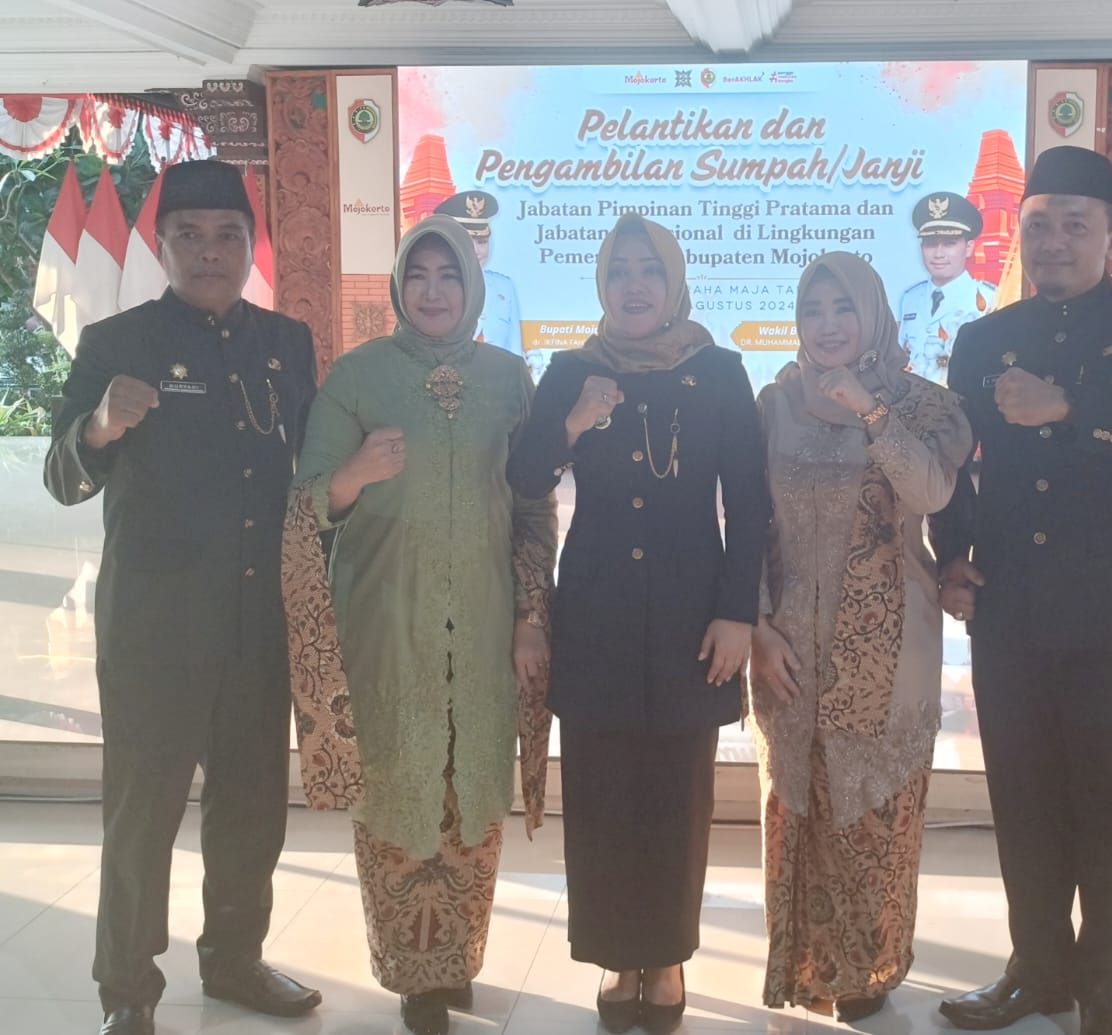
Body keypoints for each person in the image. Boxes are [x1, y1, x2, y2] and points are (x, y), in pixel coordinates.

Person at [43, 159, 322, 1035]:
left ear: (250, 246)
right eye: (190, 236)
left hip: (256, 623)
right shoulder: (116, 342)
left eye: (228, 236)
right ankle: (127, 987)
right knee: (143, 814)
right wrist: (99, 426)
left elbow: (311, 469)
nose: (210, 252)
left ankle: (235, 960)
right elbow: (61, 476)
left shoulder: (287, 344)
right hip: (154, 633)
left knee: (252, 808)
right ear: (161, 246)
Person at [930, 146, 1112, 1035]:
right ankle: (1038, 971)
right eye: (1039, 223)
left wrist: (1072, 406)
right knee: (1026, 805)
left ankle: (1107, 995)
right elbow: (953, 462)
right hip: (1011, 605)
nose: (1054, 239)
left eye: (1075, 224)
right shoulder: (983, 339)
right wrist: (952, 552)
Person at [283, 214, 556, 1035]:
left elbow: (533, 508)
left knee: (469, 791)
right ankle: (413, 972)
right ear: (399, 286)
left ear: (472, 286)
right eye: (418, 275)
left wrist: (531, 616)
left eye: (449, 276)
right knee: (400, 787)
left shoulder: (510, 380)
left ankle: (457, 957)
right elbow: (306, 504)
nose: (433, 291)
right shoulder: (358, 377)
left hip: (484, 625)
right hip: (387, 624)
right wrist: (356, 472)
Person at [506, 213, 769, 1034]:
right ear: (601, 284)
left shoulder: (719, 371)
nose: (634, 285)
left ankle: (668, 954)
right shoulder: (572, 370)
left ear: (674, 280)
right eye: (619, 270)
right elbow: (523, 476)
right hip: (597, 612)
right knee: (601, 792)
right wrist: (573, 421)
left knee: (676, 795)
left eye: (649, 269)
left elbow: (750, 502)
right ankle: (618, 955)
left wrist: (738, 612)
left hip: (694, 614)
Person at [750, 252, 971, 1025]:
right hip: (788, 644)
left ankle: (868, 967)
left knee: (874, 809)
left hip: (889, 645)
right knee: (799, 803)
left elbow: (932, 492)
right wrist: (755, 623)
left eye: (843, 307)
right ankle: (806, 965)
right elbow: (748, 523)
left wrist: (872, 412)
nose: (828, 324)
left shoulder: (924, 404)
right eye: (813, 310)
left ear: (873, 313)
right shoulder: (776, 403)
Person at [897, 191, 995, 385]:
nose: (938, 254)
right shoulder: (910, 298)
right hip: (915, 399)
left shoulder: (990, 298)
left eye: (949, 244)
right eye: (930, 244)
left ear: (968, 247)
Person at [435, 190, 524, 358]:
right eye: (467, 242)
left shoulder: (504, 287)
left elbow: (514, 349)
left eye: (482, 242)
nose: (476, 250)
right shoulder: (434, 289)